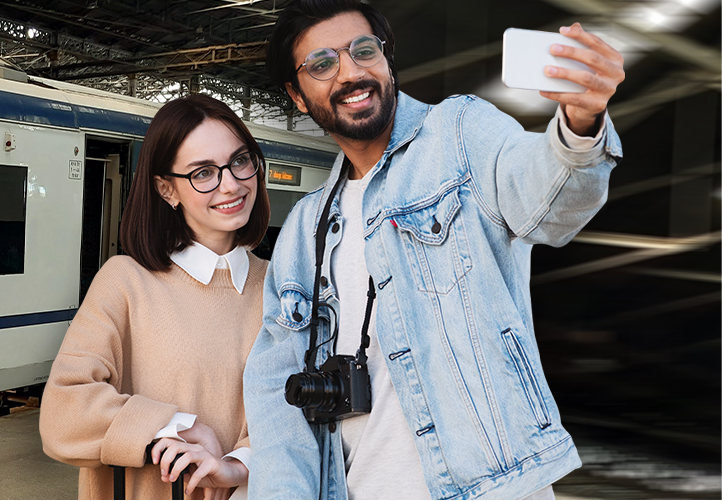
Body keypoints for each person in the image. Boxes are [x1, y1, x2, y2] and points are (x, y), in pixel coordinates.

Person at [241, 0, 625, 499]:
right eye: (322, 64)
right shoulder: (303, 230)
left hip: (494, 490)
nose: (351, 73)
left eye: (363, 51)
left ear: (387, 58)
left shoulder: (461, 134)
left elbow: (547, 203)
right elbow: (278, 397)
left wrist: (581, 122)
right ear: (296, 94)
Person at [42, 94, 270, 500]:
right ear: (167, 190)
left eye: (240, 161)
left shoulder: (282, 287)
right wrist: (178, 425)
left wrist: (236, 465)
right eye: (203, 173)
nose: (232, 184)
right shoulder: (126, 281)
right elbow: (64, 413)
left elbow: (299, 421)